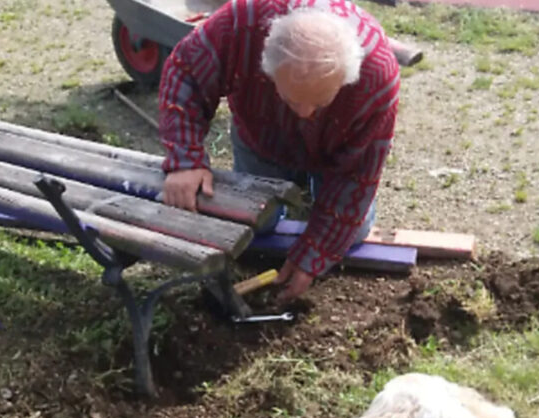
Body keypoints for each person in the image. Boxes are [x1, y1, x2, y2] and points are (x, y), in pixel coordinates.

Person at [157, 0, 400, 302]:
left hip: (336, 154)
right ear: (265, 65)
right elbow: (186, 73)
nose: (305, 114)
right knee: (255, 223)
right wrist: (185, 159)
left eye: (320, 103)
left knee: (356, 231)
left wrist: (315, 254)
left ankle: (315, 193)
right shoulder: (240, 27)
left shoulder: (377, 75)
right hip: (262, 137)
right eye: (291, 99)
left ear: (348, 76)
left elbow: (358, 175)